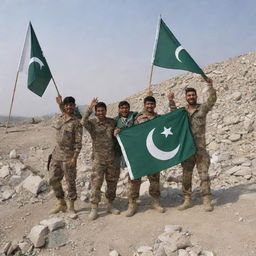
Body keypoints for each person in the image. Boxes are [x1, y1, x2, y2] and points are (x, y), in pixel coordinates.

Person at [168, 78, 217, 212]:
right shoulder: (183, 112)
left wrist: (210, 85)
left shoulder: (202, 108)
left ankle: (206, 199)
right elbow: (173, 115)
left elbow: (212, 99)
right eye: (189, 95)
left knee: (204, 175)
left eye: (193, 95)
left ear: (196, 96)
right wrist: (171, 101)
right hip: (187, 150)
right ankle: (187, 199)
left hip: (200, 149)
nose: (191, 97)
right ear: (186, 98)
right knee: (186, 175)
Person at [124, 96, 165, 217]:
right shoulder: (137, 118)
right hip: (140, 153)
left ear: (155, 105)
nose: (150, 106)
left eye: (152, 104)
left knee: (154, 180)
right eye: (147, 104)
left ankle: (155, 202)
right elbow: (129, 131)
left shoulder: (159, 119)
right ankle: (132, 204)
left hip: (153, 154)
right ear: (144, 105)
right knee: (135, 179)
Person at [81, 98, 120, 221]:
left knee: (112, 182)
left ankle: (110, 205)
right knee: (96, 184)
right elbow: (83, 122)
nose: (100, 113)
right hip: (98, 159)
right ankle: (94, 208)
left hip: (111, 158)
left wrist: (118, 131)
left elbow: (119, 129)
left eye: (102, 110)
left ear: (106, 111)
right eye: (98, 111)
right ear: (96, 112)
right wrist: (89, 108)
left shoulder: (112, 122)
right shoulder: (92, 123)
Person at [49, 96, 82, 214]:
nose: (69, 107)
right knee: (53, 179)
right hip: (56, 155)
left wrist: (75, 158)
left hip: (68, 157)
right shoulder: (60, 118)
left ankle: (71, 206)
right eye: (66, 105)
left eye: (71, 105)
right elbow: (63, 112)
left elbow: (78, 143)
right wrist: (59, 104)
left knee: (70, 182)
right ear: (64, 106)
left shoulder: (76, 122)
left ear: (74, 106)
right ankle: (61, 203)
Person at [113, 101, 138, 168]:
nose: (124, 110)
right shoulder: (115, 121)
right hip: (122, 150)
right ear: (119, 109)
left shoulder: (135, 117)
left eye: (126, 108)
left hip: (134, 148)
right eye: (122, 108)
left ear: (129, 108)